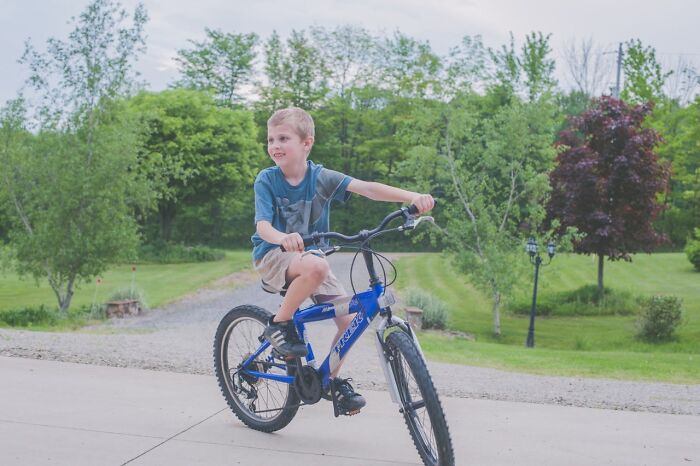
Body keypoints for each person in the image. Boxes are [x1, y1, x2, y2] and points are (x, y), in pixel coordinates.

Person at [251, 107, 434, 413]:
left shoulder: (321, 177)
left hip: (312, 259)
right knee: (317, 265)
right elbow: (262, 226)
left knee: (350, 322)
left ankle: (329, 381)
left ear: (307, 143)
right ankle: (279, 324)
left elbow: (368, 188)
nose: (274, 145)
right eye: (271, 139)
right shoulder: (267, 179)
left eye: (283, 138)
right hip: (274, 255)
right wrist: (283, 238)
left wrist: (412, 196)